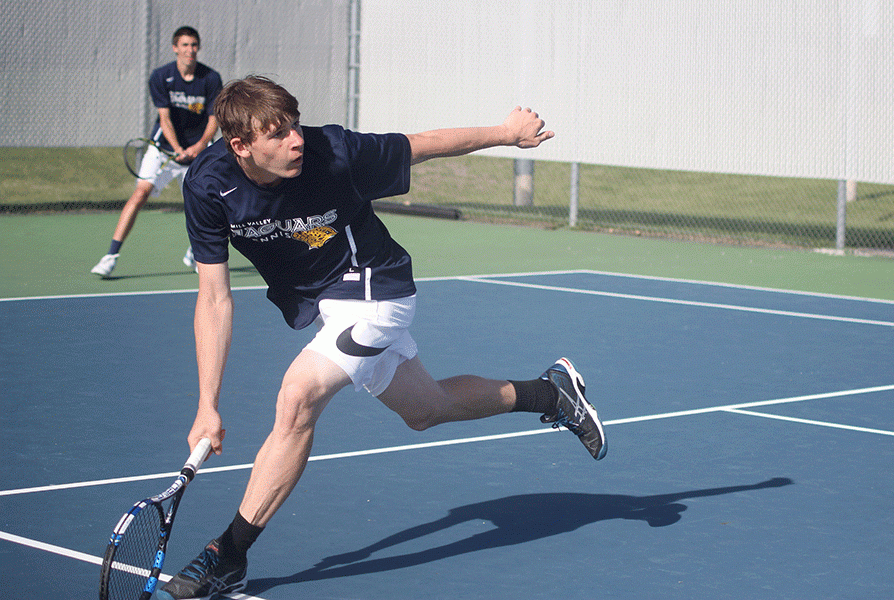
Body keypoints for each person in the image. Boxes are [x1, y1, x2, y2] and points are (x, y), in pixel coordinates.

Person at [157, 75, 607, 600]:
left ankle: (228, 556)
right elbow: (213, 297)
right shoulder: (209, 186)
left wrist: (505, 133)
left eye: (294, 125)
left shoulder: (335, 152)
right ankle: (551, 393)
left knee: (298, 396)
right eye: (277, 134)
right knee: (427, 409)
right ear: (241, 147)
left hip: (376, 288)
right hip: (327, 304)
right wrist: (206, 404)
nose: (295, 140)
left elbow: (424, 145)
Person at [90, 26, 223, 278]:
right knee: (140, 193)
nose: (190, 50)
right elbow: (165, 119)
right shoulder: (161, 76)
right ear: (175, 48)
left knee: (206, 206)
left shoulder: (211, 78)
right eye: (184, 45)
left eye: (194, 45)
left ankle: (195, 252)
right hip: (163, 149)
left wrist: (197, 148)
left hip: (197, 152)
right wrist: (177, 149)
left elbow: (213, 119)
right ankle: (110, 256)